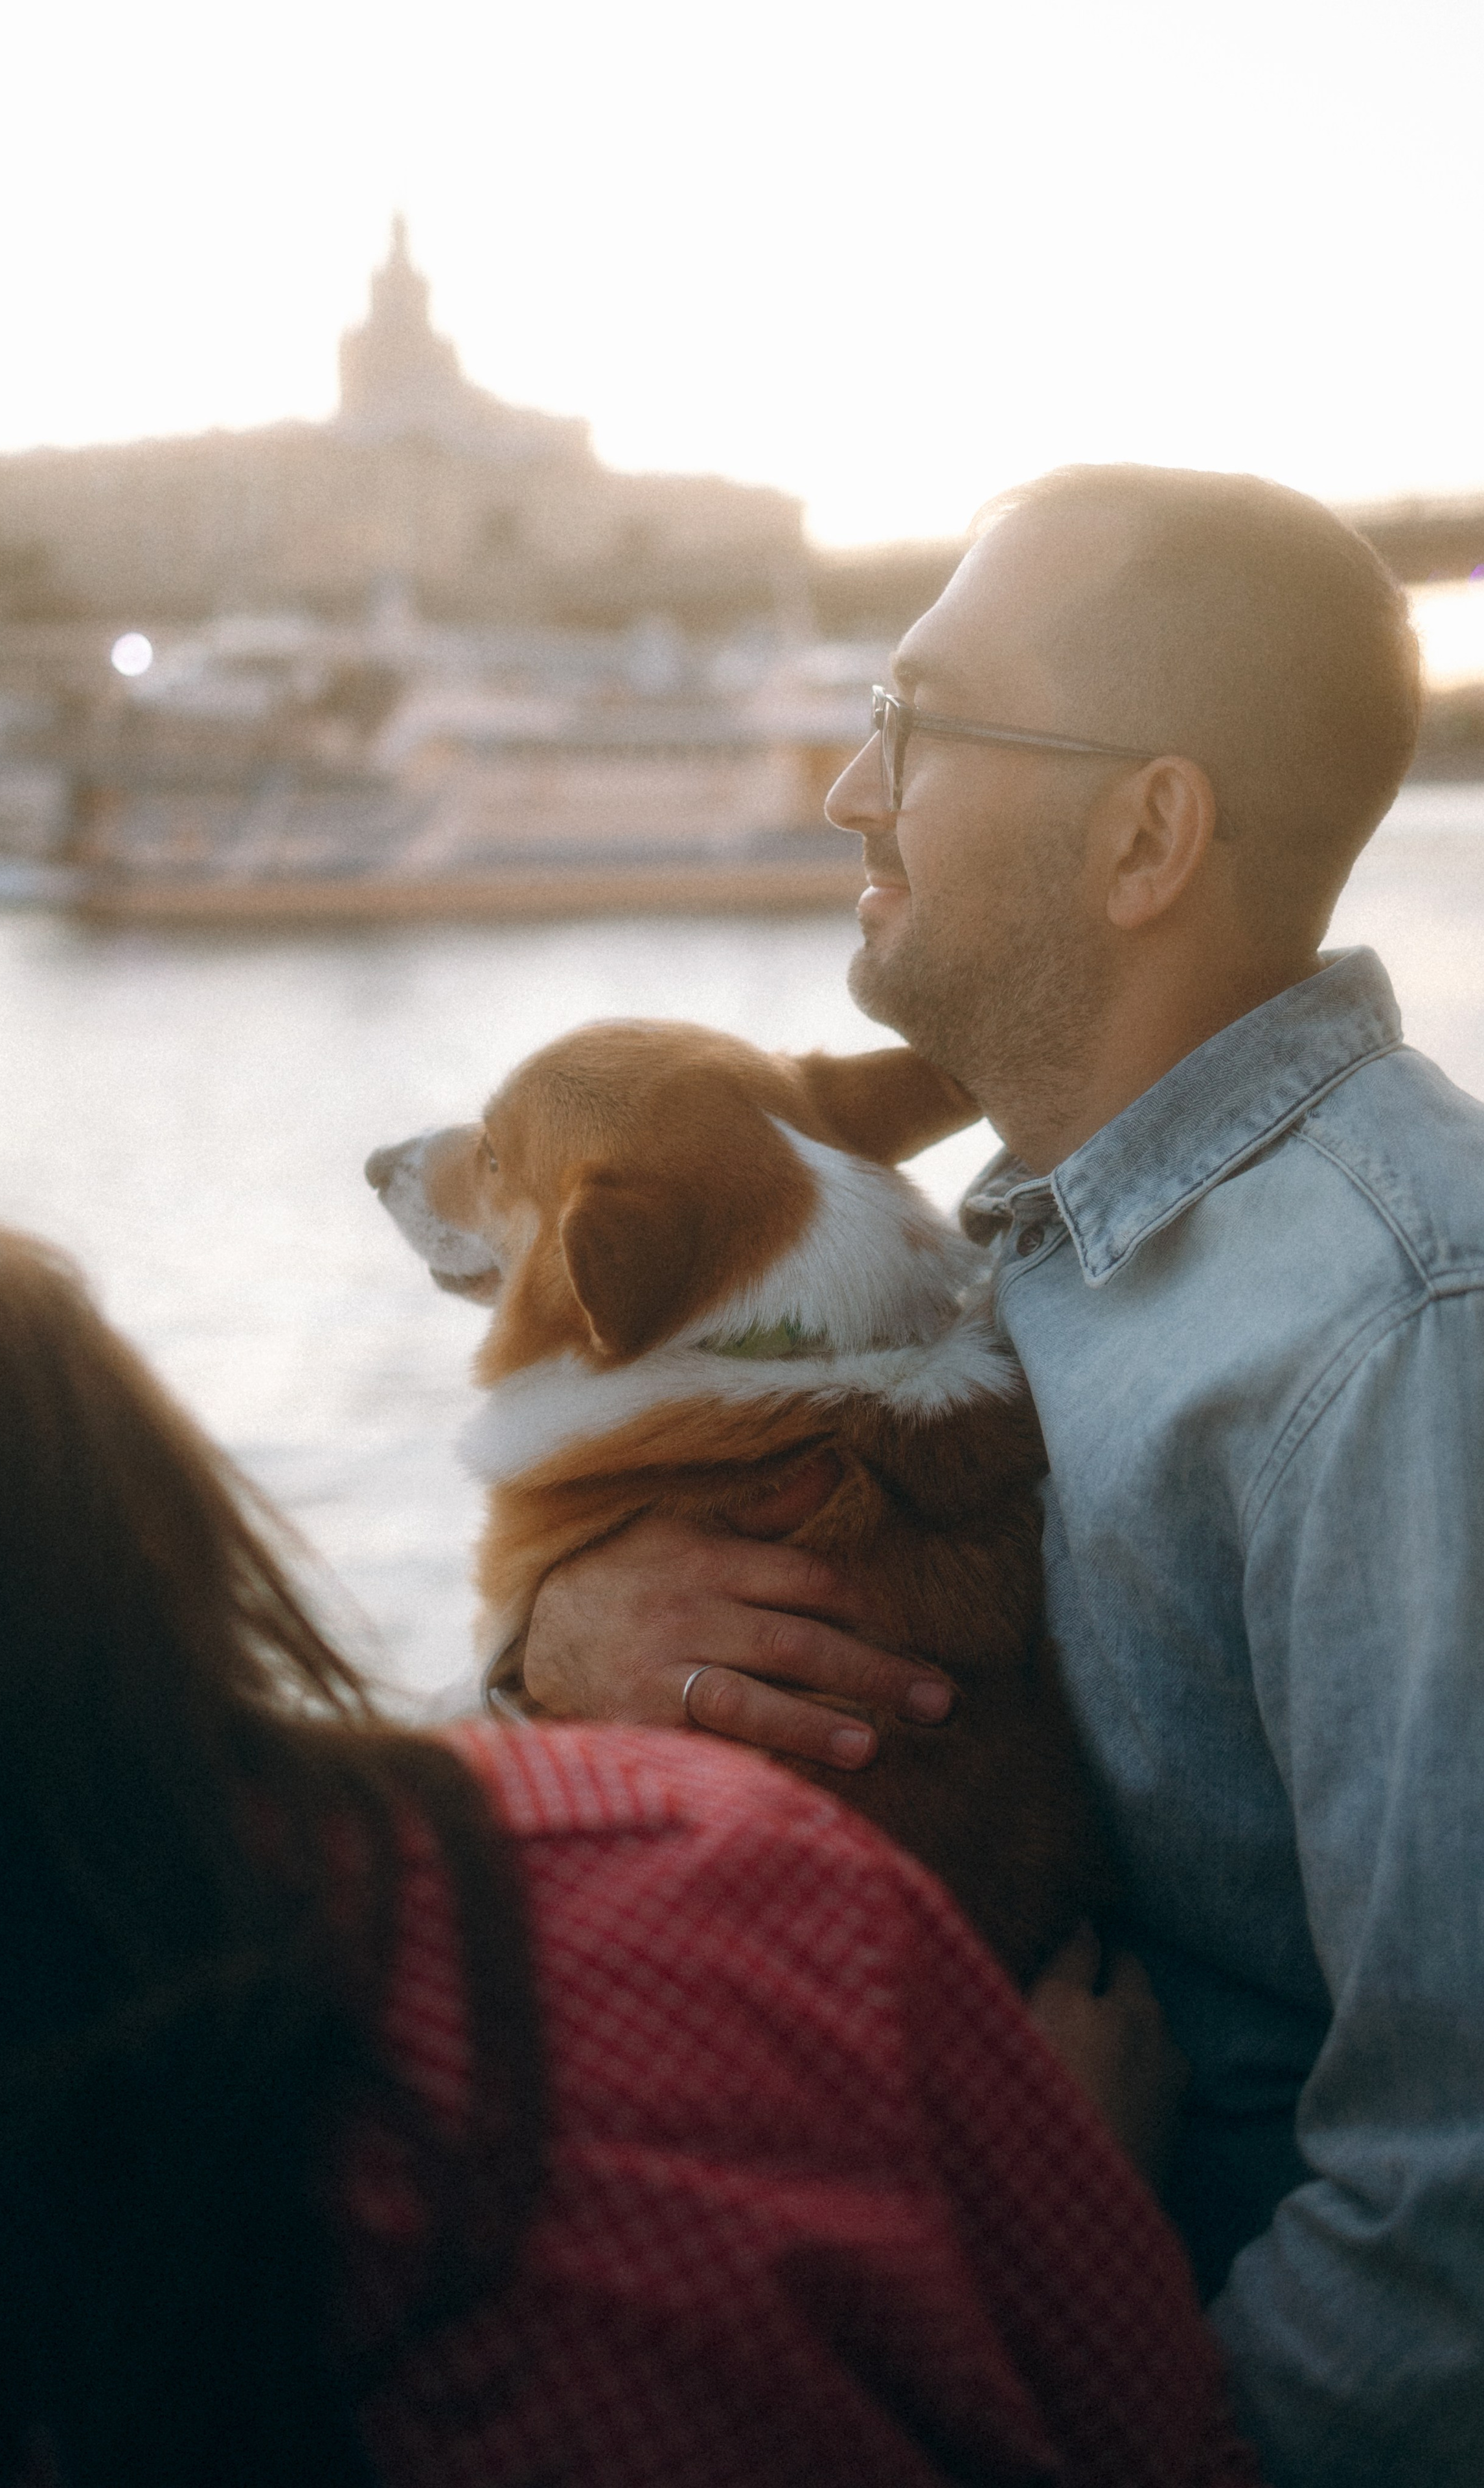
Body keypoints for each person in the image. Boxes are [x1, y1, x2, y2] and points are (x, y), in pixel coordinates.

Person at [516, 466, 1484, 2487]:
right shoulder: (1018, 1248)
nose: (845, 792)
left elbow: (1451, 2216)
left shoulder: (1403, 1334)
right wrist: (567, 1634)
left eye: (915, 723)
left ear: (1146, 837)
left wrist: (1092, 2427)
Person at [0, 1159, 1259, 2488]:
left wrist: (540, 1645)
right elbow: (1177, 2456)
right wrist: (1058, 2214)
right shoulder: (708, 1875)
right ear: (149, 1514)